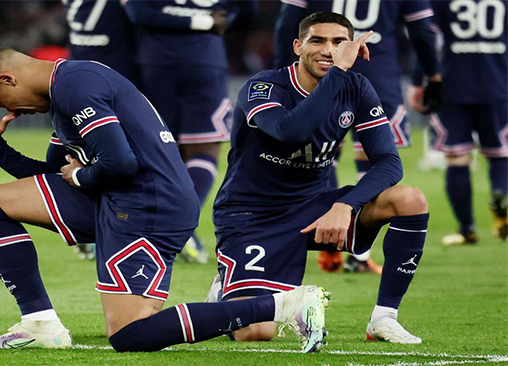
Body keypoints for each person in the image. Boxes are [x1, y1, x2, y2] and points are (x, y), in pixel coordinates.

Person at [0, 48, 330, 352]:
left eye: (2, 101)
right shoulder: (65, 90)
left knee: (131, 334)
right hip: (118, 198)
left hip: (149, 205)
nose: (9, 112)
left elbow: (120, 163)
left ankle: (284, 304)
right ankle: (39, 324)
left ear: (9, 79)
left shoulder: (77, 85)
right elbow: (53, 176)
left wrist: (82, 176)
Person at [210, 12, 429, 344]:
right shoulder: (263, 87)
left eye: (340, 42)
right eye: (318, 41)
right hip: (253, 215)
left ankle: (384, 318)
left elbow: (388, 163)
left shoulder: (356, 88)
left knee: (409, 200)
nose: (329, 50)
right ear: (298, 46)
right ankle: (226, 288)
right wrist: (339, 71)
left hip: (316, 208)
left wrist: (344, 204)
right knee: (254, 333)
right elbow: (291, 132)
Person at [274, 0, 441, 273]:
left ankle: (327, 237)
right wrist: (432, 74)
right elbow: (421, 30)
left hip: (316, 73)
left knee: (322, 153)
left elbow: (286, 22)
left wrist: (284, 77)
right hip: (376, 71)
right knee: (372, 160)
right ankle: (359, 253)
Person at [123, 0, 241, 263]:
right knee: (205, 147)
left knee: (161, 148)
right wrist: (207, 21)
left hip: (155, 60)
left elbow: (140, 11)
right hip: (205, 59)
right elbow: (242, 10)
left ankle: (155, 226)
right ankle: (181, 223)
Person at [408, 0, 507, 245]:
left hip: (452, 86)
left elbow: (426, 38)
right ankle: (500, 196)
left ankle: (467, 229)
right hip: (498, 86)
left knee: (457, 157)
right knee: (500, 153)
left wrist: (418, 80)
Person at [62, 0, 139, 260]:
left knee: (80, 151)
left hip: (76, 67)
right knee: (121, 153)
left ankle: (84, 228)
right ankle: (100, 230)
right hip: (112, 68)